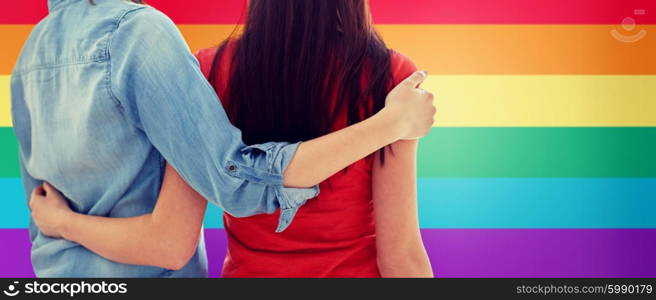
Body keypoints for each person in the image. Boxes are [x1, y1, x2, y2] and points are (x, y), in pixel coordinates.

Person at [25, 0, 435, 277]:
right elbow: (401, 258)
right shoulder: (389, 80)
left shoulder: (211, 71)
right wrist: (392, 122)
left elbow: (169, 236)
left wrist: (62, 223)